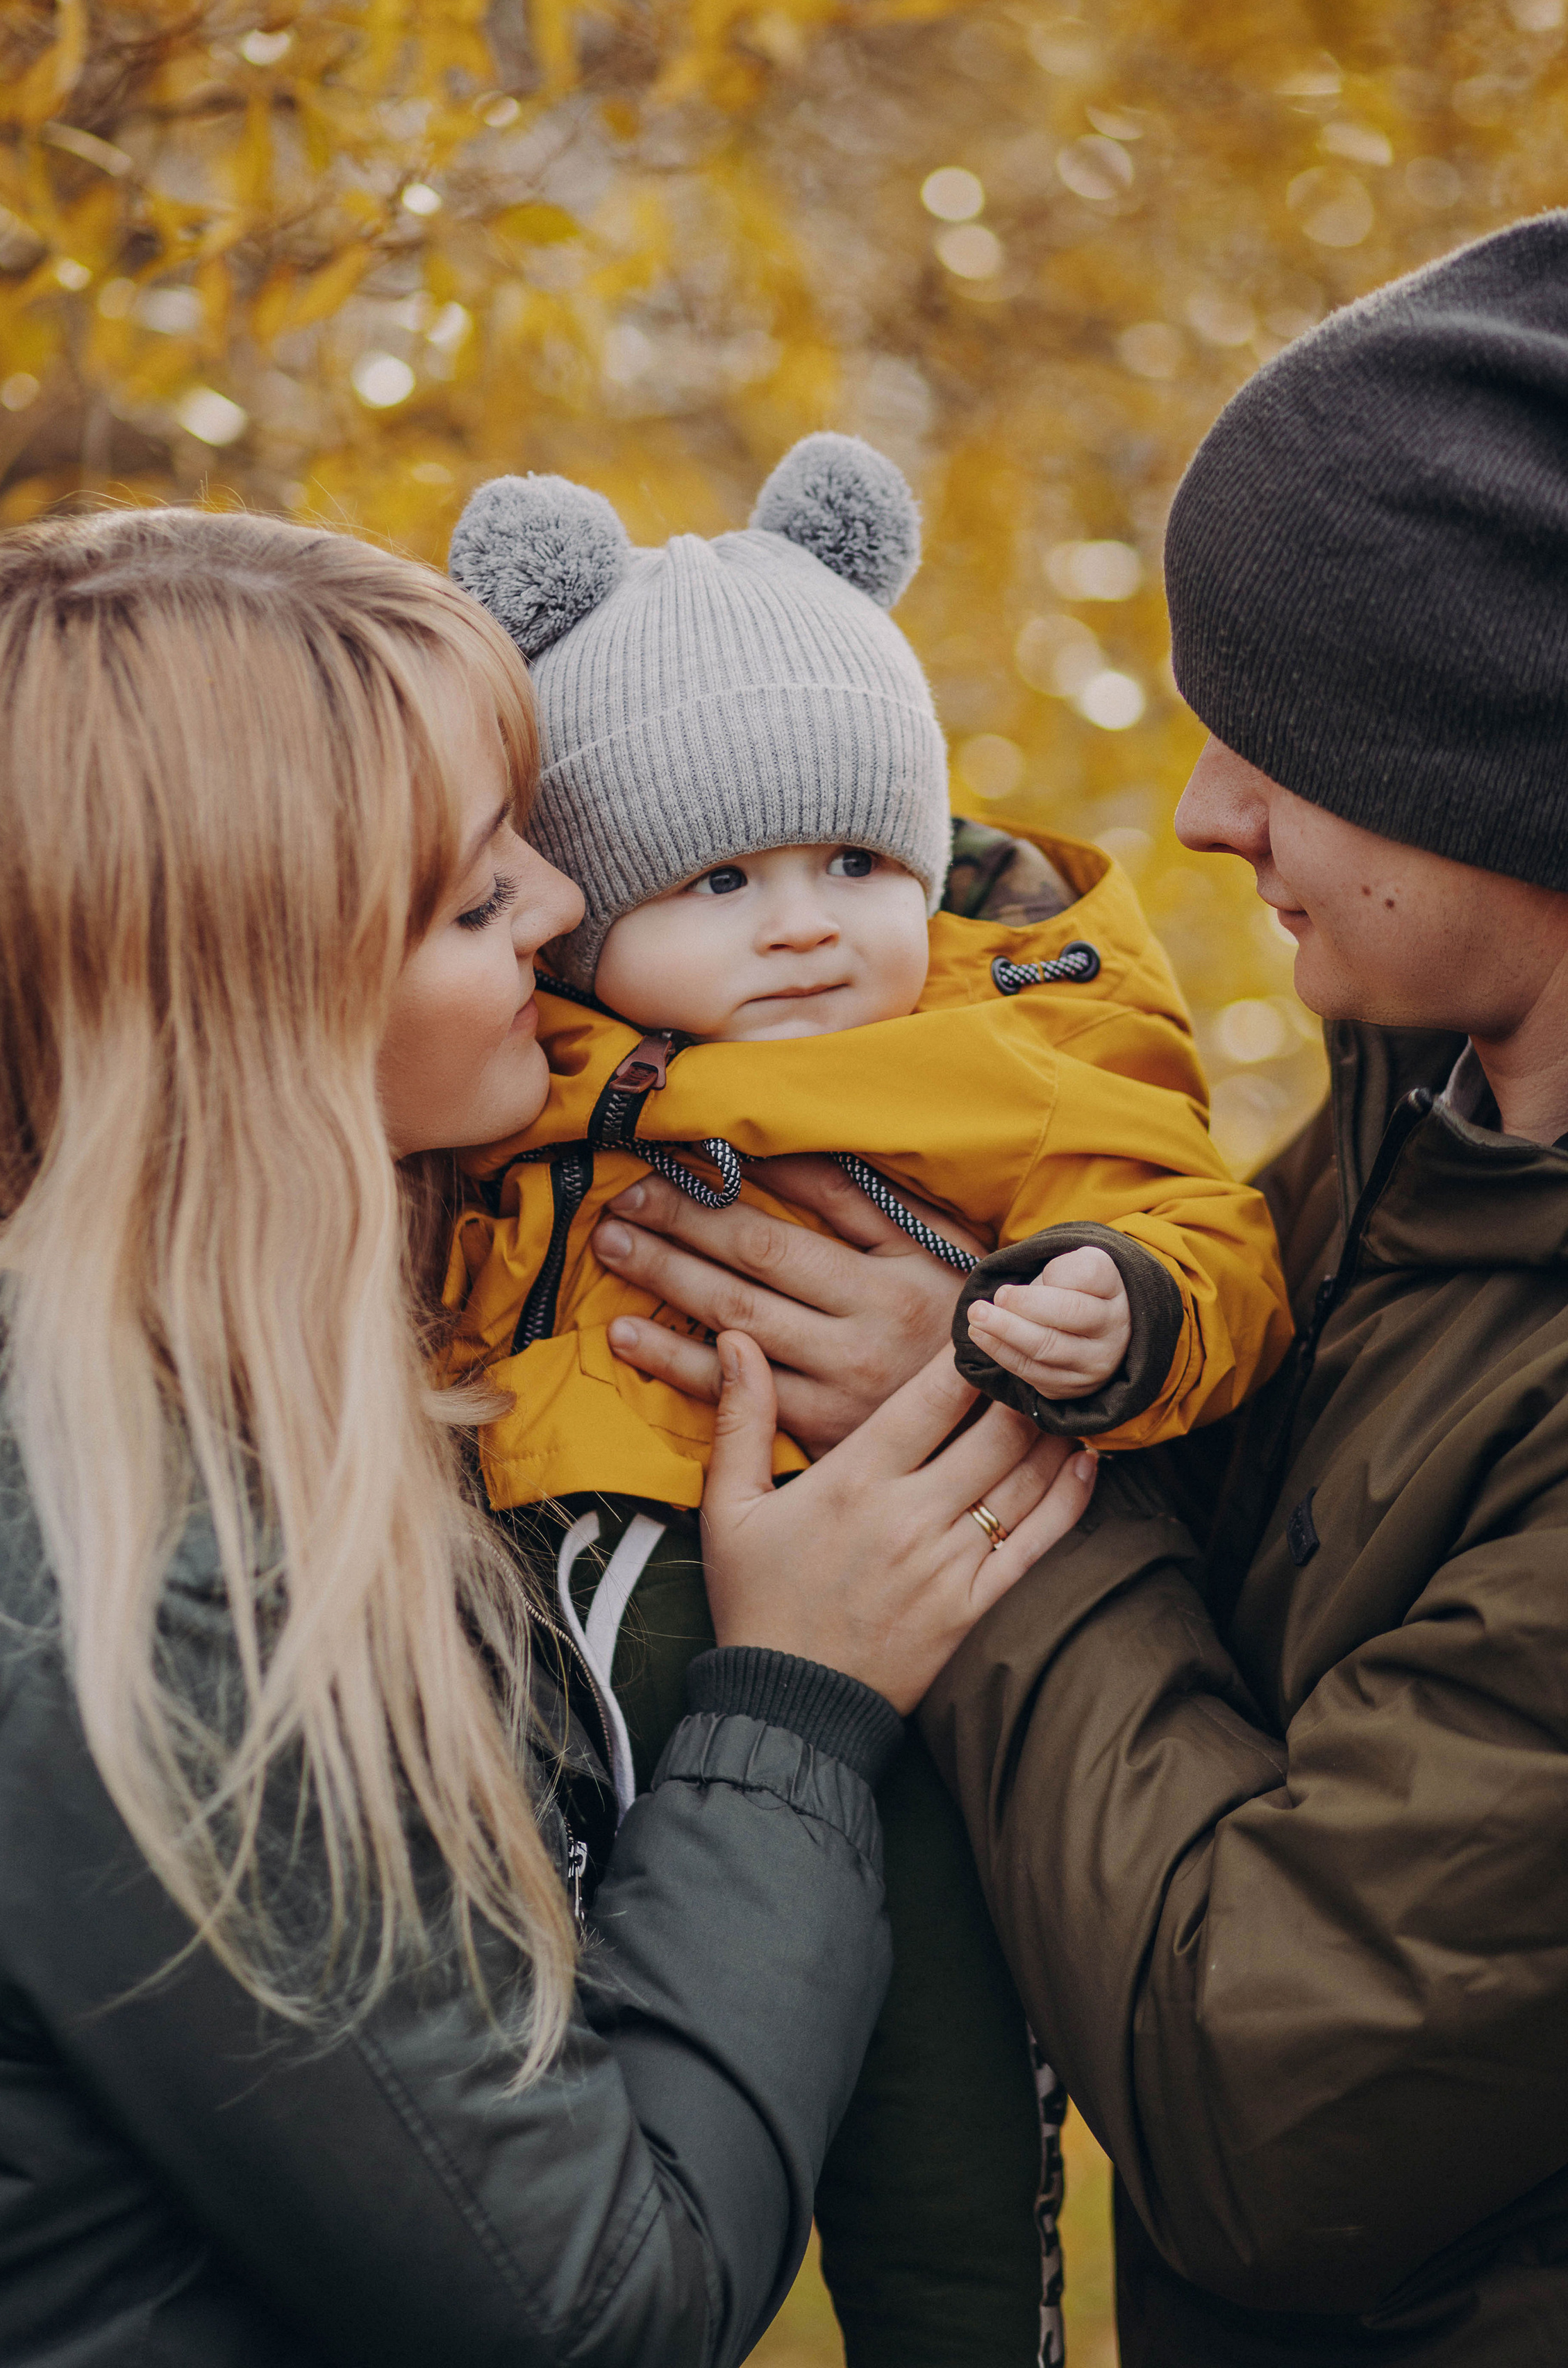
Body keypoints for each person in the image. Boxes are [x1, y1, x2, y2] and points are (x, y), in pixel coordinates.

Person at [0, 508, 1096, 2368]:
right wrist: (792, 1708)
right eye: (480, 897)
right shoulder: (111, 1592)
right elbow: (593, 2310)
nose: (564, 903)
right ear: (257, 1011)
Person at [595, 215, 1568, 2365]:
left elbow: (1277, 2104)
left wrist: (966, 1456)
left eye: (1287, 738)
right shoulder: (1427, 1139)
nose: (1208, 813)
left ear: (1503, 772)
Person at [439, 435, 1292, 2365]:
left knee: (941, 2128)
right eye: (721, 879)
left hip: (907, 1655)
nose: (805, 923)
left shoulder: (1012, 1050)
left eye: (853, 862)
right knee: (549, 2118)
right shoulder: (515, 1065)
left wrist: (1122, 1308)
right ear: (585, 918)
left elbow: (1204, 1228)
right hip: (563, 1645)